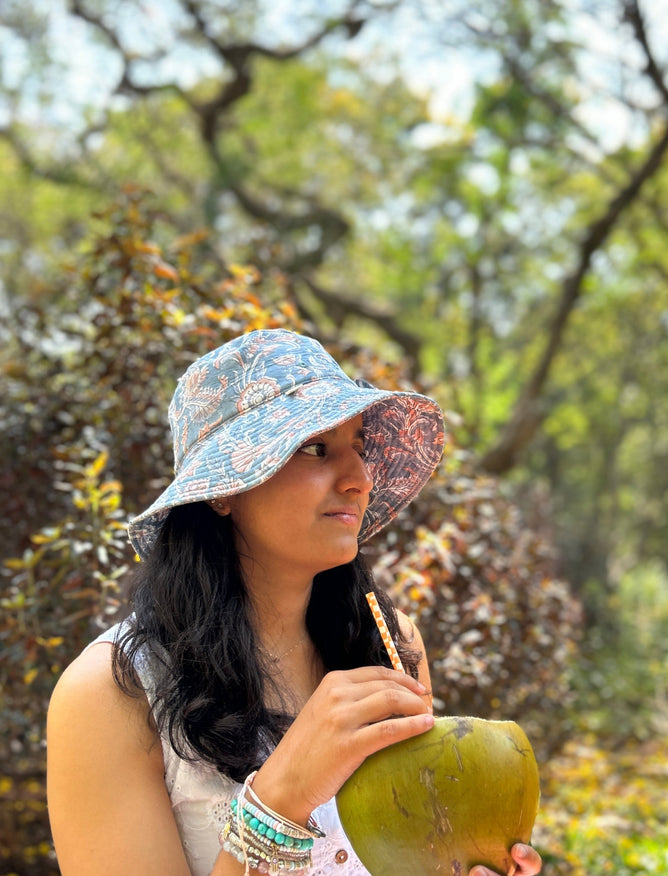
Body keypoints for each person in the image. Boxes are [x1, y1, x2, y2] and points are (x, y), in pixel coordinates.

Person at [47, 328, 543, 876]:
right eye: (315, 448)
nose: (358, 478)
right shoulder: (111, 693)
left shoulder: (390, 645)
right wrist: (279, 802)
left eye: (357, 446)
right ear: (225, 489)